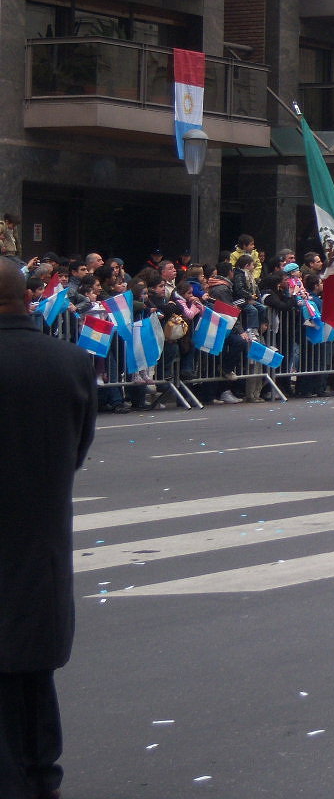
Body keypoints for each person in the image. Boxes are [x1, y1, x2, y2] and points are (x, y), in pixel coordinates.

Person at [0, 258, 96, 799]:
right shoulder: (71, 362)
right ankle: (41, 773)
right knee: (35, 670)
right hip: (41, 540)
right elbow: (77, 451)